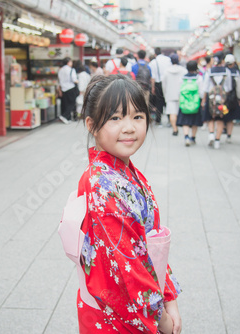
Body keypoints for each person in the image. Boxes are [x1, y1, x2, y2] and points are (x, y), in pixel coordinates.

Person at [74, 74, 182, 333]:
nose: (129, 127)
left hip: (130, 307)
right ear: (91, 125)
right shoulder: (103, 185)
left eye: (137, 116)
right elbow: (129, 265)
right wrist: (161, 318)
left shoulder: (124, 173)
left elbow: (148, 245)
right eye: (115, 118)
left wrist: (169, 297)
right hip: (118, 315)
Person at [201, 52, 233, 149]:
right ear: (223, 60)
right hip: (223, 100)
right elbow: (229, 87)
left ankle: (211, 134)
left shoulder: (209, 71)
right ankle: (217, 140)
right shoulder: (226, 71)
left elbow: (205, 88)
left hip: (211, 99)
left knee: (210, 117)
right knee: (220, 118)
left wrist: (203, 100)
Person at [177, 60, 204, 146]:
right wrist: (202, 100)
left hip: (184, 103)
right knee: (195, 121)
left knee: (185, 121)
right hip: (195, 103)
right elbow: (201, 91)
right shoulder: (199, 78)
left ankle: (186, 137)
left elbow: (179, 91)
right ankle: (193, 138)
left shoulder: (182, 78)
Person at [162, 53, 188, 135]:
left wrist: (165, 94)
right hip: (182, 94)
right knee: (182, 111)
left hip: (170, 94)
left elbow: (164, 85)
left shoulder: (166, 71)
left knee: (172, 113)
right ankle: (184, 129)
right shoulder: (184, 70)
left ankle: (175, 129)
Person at [223, 53, 240, 142]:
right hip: (233, 98)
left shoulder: (222, 71)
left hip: (223, 98)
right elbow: (239, 87)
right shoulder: (236, 73)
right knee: (230, 118)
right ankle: (229, 135)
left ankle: (219, 134)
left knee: (222, 115)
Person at [149, 47, 172, 126]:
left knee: (159, 103)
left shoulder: (153, 62)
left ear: (155, 53)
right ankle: (170, 120)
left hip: (158, 84)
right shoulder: (168, 59)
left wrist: (153, 87)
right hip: (168, 83)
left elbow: (153, 77)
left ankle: (159, 121)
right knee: (168, 102)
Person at [58, 57, 78, 124]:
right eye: (71, 62)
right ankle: (64, 116)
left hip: (63, 89)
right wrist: (78, 81)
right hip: (70, 88)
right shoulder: (71, 70)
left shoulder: (60, 70)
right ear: (68, 62)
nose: (72, 63)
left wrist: (59, 90)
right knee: (72, 103)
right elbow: (74, 79)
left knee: (66, 103)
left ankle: (68, 118)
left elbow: (59, 81)